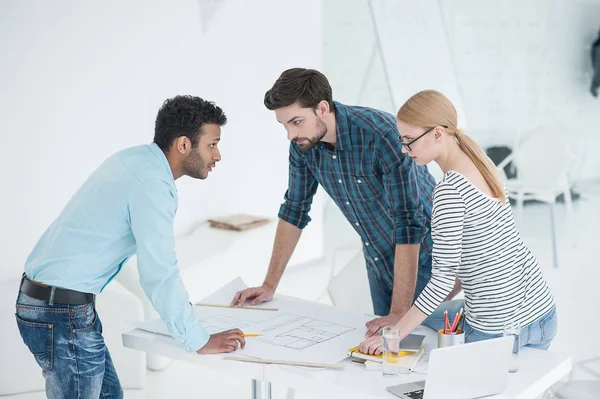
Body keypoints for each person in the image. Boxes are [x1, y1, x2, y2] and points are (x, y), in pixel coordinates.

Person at [15, 95, 246, 398]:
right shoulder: (152, 184)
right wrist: (197, 338)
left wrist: (178, 312)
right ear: (183, 144)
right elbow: (159, 271)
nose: (218, 155)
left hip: (55, 306)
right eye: (212, 144)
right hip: (60, 312)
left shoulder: (134, 160)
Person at [231, 68, 436, 336]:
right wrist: (269, 284)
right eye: (284, 125)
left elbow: (410, 223)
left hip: (426, 257)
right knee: (386, 355)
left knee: (424, 352)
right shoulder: (303, 146)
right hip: (378, 257)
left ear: (323, 108)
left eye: (296, 122)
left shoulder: (381, 136)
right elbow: (294, 209)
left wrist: (399, 312)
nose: (290, 135)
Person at [359, 90, 557, 355]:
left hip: (497, 331)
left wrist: (395, 332)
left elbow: (441, 280)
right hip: (543, 313)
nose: (405, 151)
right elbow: (481, 254)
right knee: (424, 314)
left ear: (438, 133)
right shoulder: (483, 163)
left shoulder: (449, 190)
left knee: (418, 327)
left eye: (409, 141)